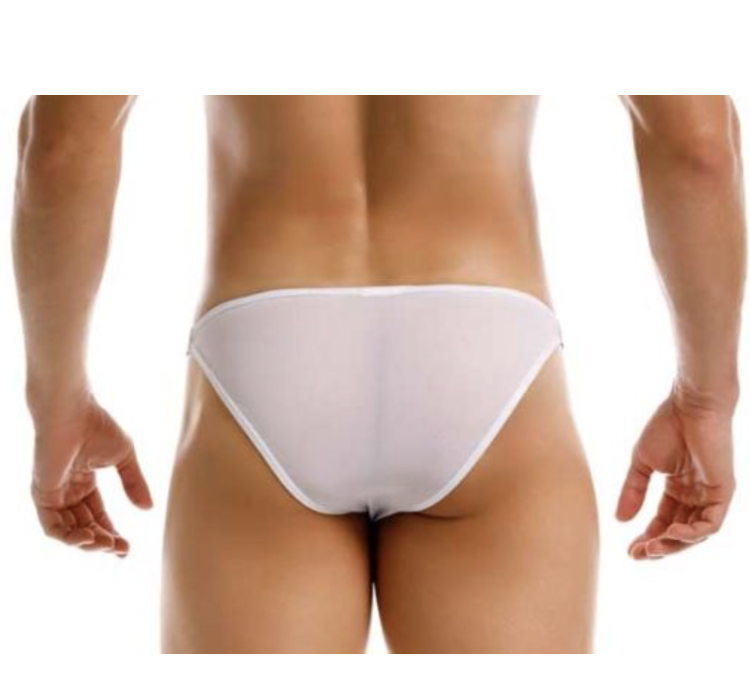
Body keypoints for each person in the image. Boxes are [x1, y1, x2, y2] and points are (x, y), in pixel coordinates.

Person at [12, 96, 745, 654]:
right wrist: (705, 396)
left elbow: (61, 146)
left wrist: (58, 400)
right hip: (478, 336)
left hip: (272, 338)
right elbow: (698, 145)